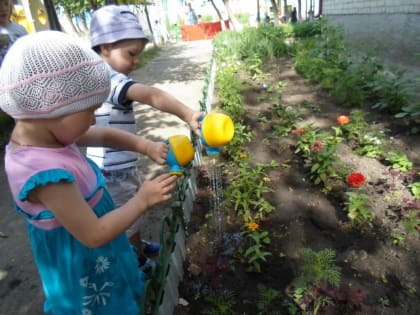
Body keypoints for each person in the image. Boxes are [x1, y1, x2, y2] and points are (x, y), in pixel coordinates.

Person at [0, 30, 178, 315]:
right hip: (88, 270)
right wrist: (142, 199)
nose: (94, 118)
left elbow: (105, 134)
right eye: (90, 110)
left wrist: (144, 145)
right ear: (54, 106)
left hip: (102, 251)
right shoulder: (42, 172)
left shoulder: (51, 134)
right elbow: (94, 234)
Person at [88, 5, 202, 272]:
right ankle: (136, 262)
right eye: (131, 54)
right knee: (128, 216)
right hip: (113, 170)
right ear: (105, 47)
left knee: (129, 213)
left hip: (114, 166)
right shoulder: (110, 79)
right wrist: (187, 113)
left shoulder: (97, 73)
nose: (136, 61)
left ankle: (137, 245)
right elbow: (151, 95)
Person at [0, 0, 27, 67]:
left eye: (6, 4)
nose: (3, 9)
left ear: (11, 7)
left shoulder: (20, 29)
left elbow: (28, 50)